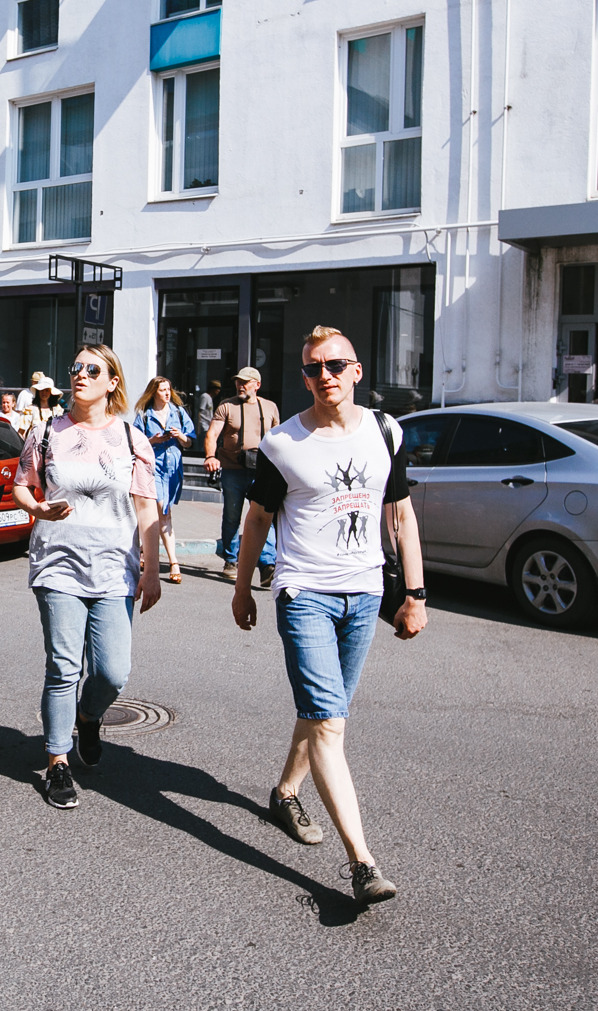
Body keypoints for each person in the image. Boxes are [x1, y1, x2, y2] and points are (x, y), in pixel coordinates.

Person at [229, 326, 426, 906]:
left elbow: (402, 515)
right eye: (314, 368)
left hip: (364, 594)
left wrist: (415, 594)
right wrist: (242, 589)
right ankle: (362, 863)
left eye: (336, 364)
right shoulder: (284, 443)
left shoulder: (386, 431)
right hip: (304, 594)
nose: (326, 375)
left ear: (356, 370)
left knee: (325, 712)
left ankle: (285, 792)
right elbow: (257, 520)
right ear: (305, 377)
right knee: (330, 725)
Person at [13, 345, 162, 811]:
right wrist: (37, 508)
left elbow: (146, 507)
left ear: (112, 381)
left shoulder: (132, 439)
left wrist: (152, 570)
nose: (80, 374)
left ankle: (89, 714)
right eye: (75, 367)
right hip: (57, 563)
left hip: (116, 569)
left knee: (113, 672)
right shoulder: (45, 432)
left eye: (92, 369)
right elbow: (21, 486)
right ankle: (58, 761)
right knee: (63, 666)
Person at [204, 367, 280, 585]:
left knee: (264, 516)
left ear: (257, 385)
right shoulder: (227, 406)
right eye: (238, 382)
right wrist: (210, 456)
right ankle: (230, 560)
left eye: (245, 382)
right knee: (232, 516)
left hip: (262, 471)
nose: (240, 385)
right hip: (233, 471)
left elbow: (278, 438)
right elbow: (212, 434)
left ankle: (267, 565)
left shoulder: (270, 407)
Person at [134, 376, 194, 584]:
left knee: (163, 512)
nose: (167, 393)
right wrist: (154, 440)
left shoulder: (178, 413)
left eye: (169, 389)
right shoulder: (144, 415)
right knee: (163, 512)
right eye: (162, 390)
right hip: (153, 467)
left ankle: (143, 550)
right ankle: (173, 562)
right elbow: (136, 443)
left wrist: (180, 436)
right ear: (154, 392)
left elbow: (189, 442)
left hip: (173, 468)